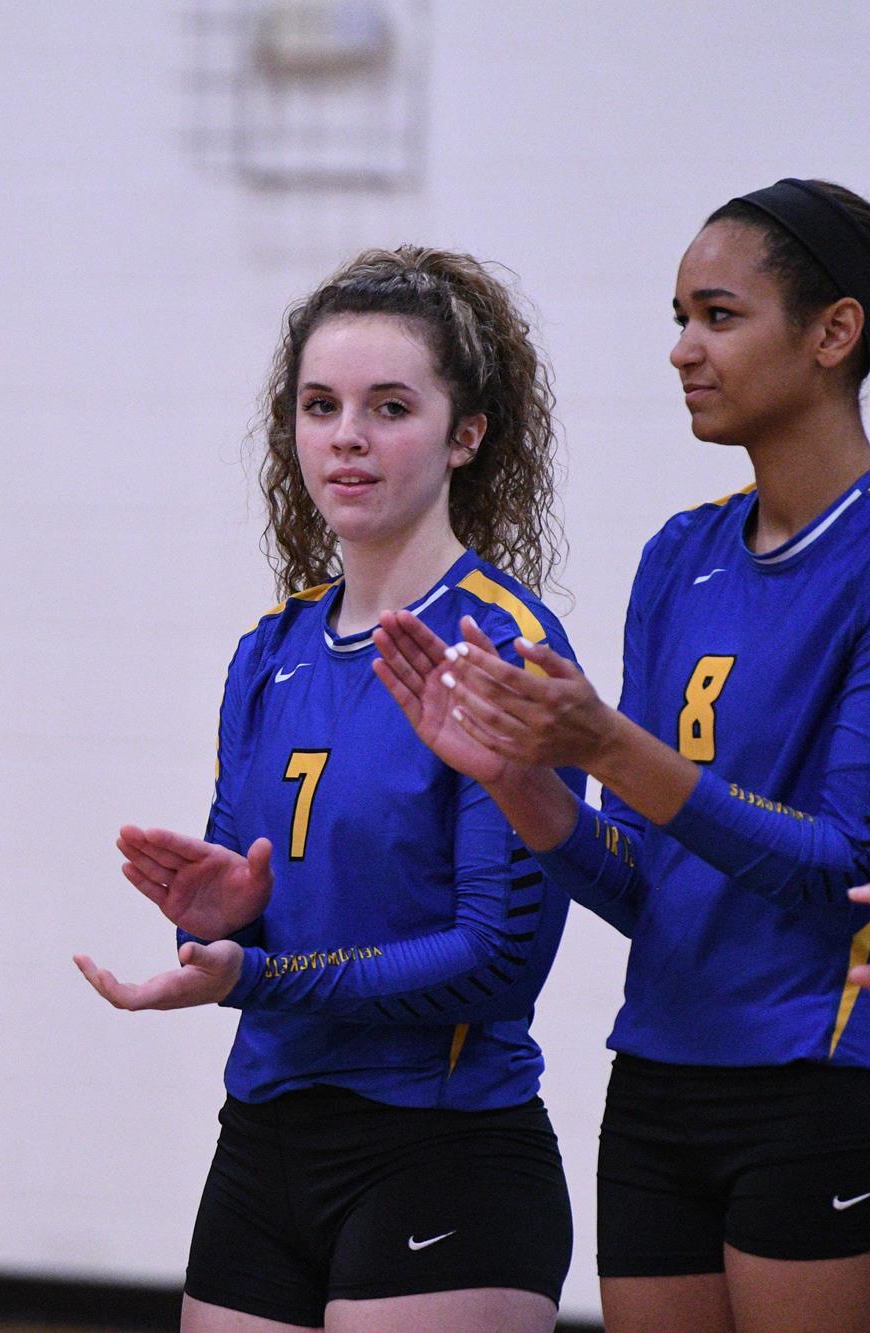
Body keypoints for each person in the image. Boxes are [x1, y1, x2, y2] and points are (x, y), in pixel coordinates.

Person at [377, 178, 870, 1333]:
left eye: (716, 315)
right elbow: (643, 883)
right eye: (675, 316)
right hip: (655, 1077)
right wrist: (517, 778)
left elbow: (833, 865)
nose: (679, 350)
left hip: (818, 1073)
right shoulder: (677, 555)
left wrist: (604, 738)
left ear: (833, 333)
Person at [75, 248, 578, 1331]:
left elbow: (494, 960)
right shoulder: (270, 650)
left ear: (465, 434)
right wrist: (220, 922)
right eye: (319, 405)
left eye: (387, 406)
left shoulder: (504, 648)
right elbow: (227, 940)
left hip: (440, 1148)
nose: (344, 434)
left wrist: (260, 975)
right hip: (262, 1139)